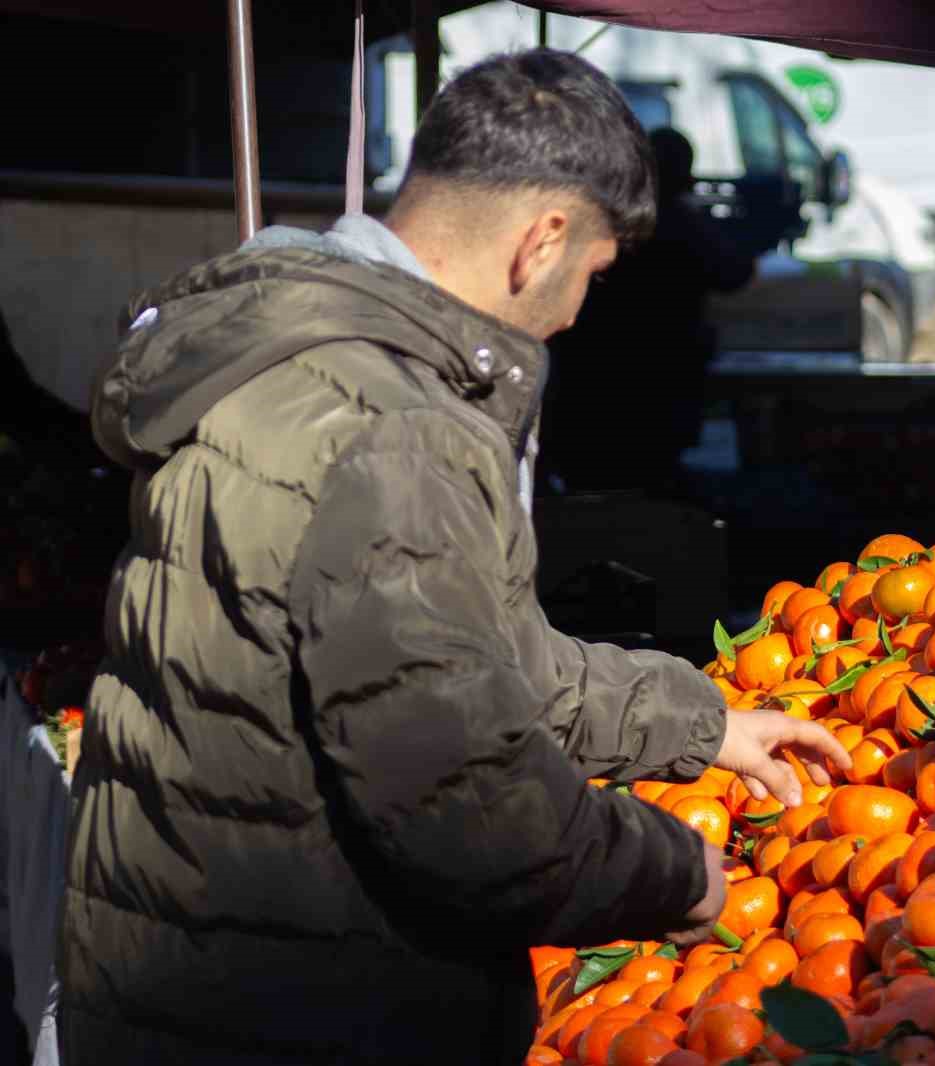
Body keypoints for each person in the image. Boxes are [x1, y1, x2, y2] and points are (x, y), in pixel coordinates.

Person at [58, 50, 849, 1066]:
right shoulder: (396, 424)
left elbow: (457, 654)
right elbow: (466, 800)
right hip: (297, 1008)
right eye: (593, 277)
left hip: (171, 979)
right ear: (541, 242)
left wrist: (697, 726)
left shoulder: (280, 347)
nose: (573, 314)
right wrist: (673, 870)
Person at [540, 126, 765, 492]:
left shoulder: (609, 218)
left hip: (596, 392)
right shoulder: (678, 224)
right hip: (653, 392)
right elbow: (734, 273)